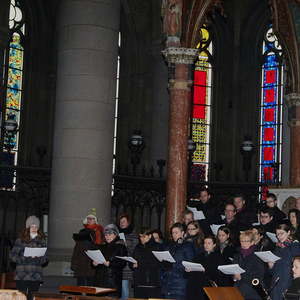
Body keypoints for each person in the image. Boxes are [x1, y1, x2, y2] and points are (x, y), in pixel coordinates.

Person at [10, 216, 48, 300]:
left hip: (36, 275)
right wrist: (25, 257)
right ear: (28, 227)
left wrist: (38, 258)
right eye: (32, 226)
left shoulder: (41, 241)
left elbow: (45, 259)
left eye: (36, 226)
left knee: (32, 298)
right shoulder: (20, 240)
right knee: (22, 297)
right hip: (22, 275)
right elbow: (12, 256)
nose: (34, 228)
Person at [186, 235, 231, 300]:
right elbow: (192, 267)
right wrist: (188, 270)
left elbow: (219, 274)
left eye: (209, 243)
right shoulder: (199, 256)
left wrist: (206, 270)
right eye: (205, 243)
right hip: (195, 285)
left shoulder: (218, 257)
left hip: (207, 287)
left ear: (214, 245)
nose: (206, 245)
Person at [161, 222, 194, 300]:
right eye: (172, 233)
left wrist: (173, 265)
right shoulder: (169, 245)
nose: (174, 235)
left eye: (176, 232)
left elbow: (189, 264)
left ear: (182, 233)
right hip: (167, 282)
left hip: (179, 283)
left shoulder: (187, 246)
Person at [71, 209, 104, 286]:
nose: (89, 220)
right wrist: (74, 262)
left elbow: (100, 245)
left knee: (91, 285)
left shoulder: (98, 231)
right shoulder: (82, 231)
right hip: (81, 260)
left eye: (92, 219)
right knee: (80, 285)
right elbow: (77, 247)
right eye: (88, 218)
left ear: (95, 220)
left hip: (92, 260)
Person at [93, 224, 127, 298]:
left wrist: (110, 264)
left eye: (110, 234)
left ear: (115, 234)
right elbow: (98, 260)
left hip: (112, 280)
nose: (107, 236)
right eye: (105, 235)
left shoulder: (120, 246)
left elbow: (123, 263)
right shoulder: (102, 246)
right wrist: (94, 264)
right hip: (100, 280)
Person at [268, 224, 300, 300]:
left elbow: (296, 263)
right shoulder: (278, 248)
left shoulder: (295, 245)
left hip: (288, 282)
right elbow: (272, 272)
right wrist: (271, 266)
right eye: (277, 234)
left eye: (281, 233)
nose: (279, 236)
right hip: (276, 282)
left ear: (288, 232)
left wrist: (288, 244)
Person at [232, 230, 265, 300]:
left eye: (246, 241)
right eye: (241, 241)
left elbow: (259, 275)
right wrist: (234, 277)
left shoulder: (257, 255)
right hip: (238, 288)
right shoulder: (237, 255)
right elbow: (233, 270)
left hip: (251, 291)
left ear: (252, 242)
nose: (243, 243)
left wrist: (242, 277)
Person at [132, 228, 162, 298]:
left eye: (144, 236)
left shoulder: (157, 246)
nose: (141, 239)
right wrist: (132, 264)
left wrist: (139, 264)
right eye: (140, 236)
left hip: (150, 281)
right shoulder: (138, 247)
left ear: (150, 236)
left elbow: (155, 263)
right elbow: (133, 259)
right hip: (138, 281)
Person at [117, 213, 139, 300]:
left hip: (127, 266)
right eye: (120, 222)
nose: (121, 223)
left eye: (124, 221)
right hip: (118, 265)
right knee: (119, 289)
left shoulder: (133, 235)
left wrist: (126, 245)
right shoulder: (117, 234)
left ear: (128, 223)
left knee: (125, 288)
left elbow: (135, 251)